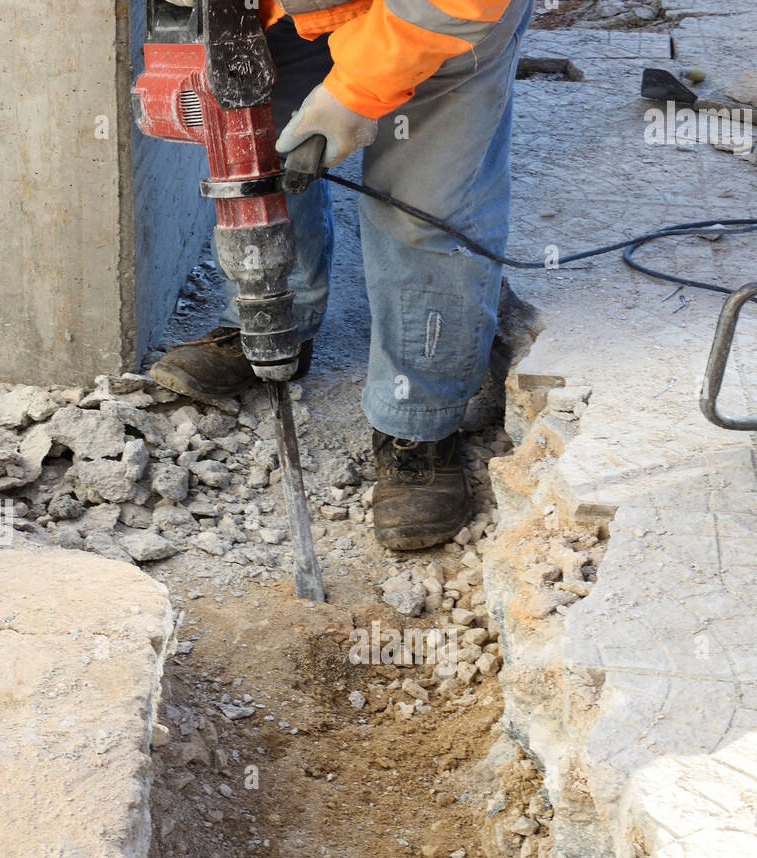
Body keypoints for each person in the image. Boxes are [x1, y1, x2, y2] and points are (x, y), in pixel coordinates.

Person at [150, 0, 533, 550]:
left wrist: (355, 93)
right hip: (285, 8)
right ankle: (271, 314)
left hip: (436, 15)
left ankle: (417, 417)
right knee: (260, 144)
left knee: (421, 207)